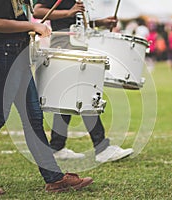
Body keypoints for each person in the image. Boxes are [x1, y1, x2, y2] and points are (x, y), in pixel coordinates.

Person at [0, 0, 93, 197]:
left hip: (15, 53)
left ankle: (54, 179)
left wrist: (19, 28)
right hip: (5, 54)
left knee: (33, 118)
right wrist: (32, 25)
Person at [33, 0, 134, 163]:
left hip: (78, 43)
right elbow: (38, 12)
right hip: (65, 44)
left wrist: (100, 23)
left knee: (70, 96)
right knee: (85, 93)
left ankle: (57, 147)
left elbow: (76, 21)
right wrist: (68, 12)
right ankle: (101, 147)